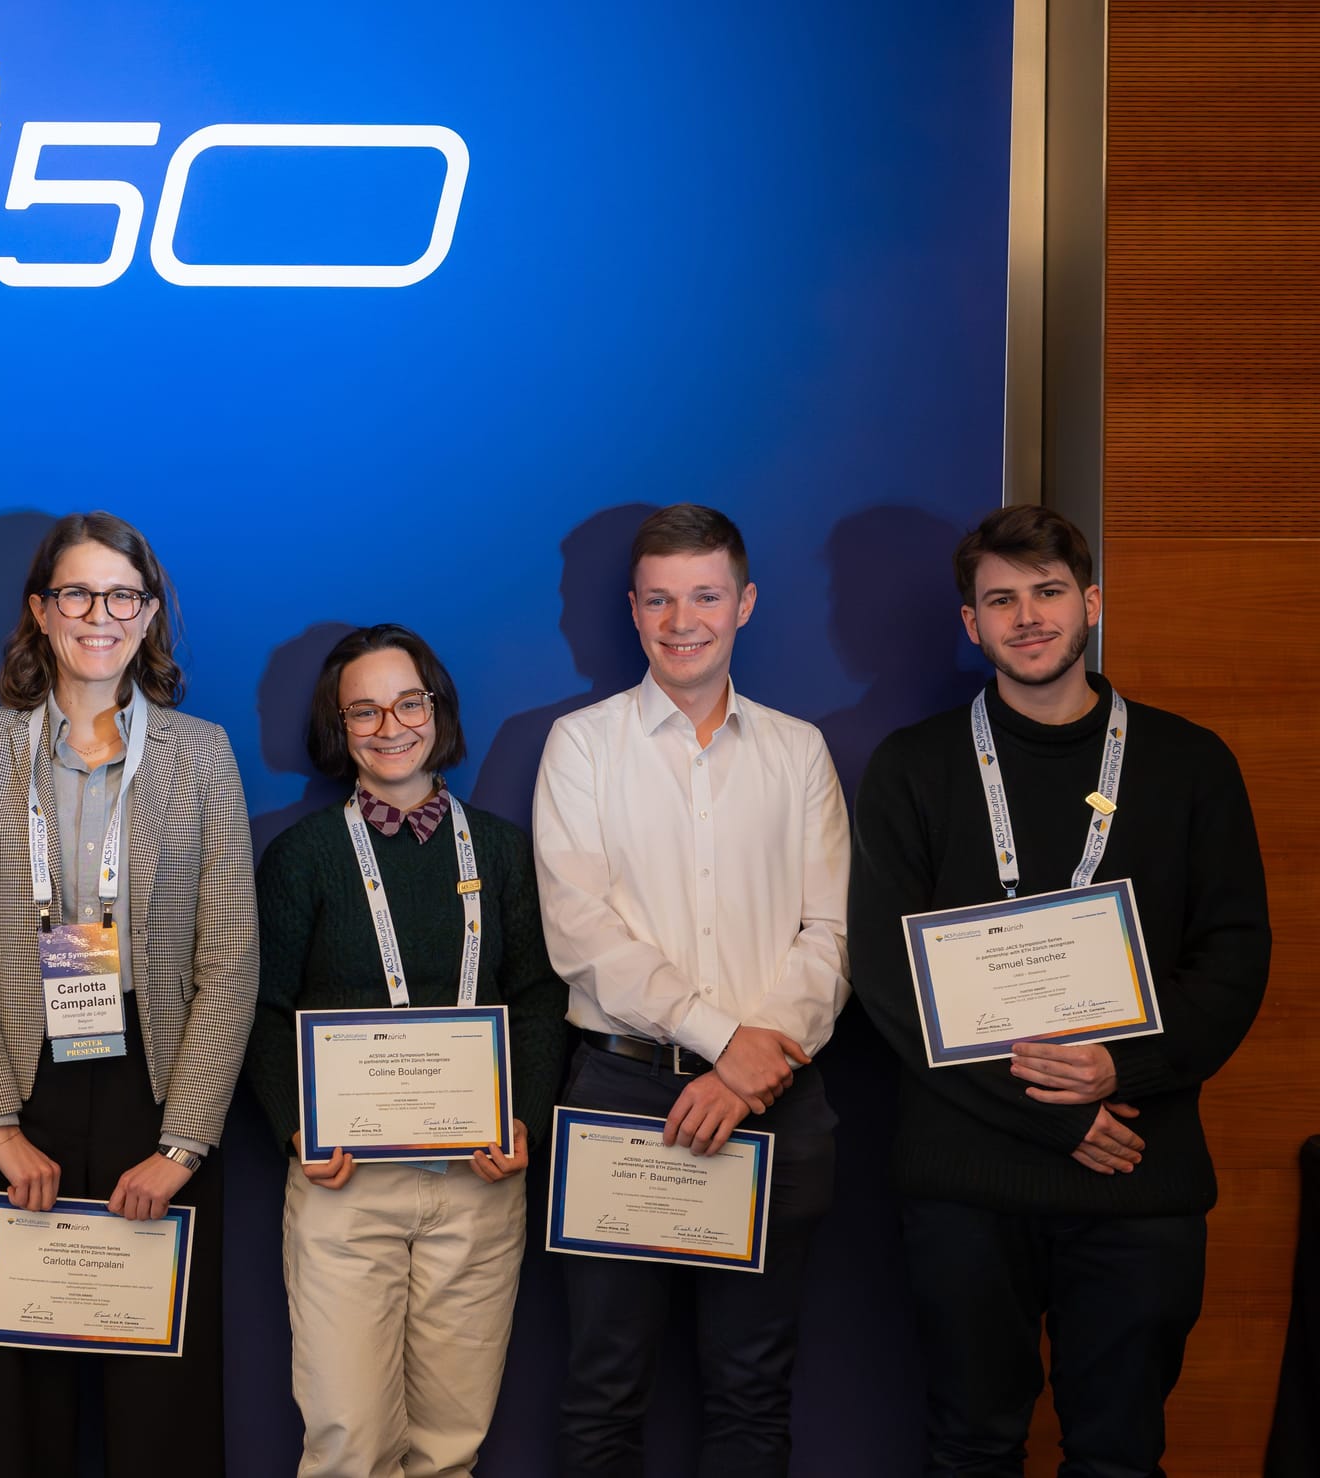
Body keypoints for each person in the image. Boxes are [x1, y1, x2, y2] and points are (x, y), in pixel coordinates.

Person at [848, 505, 1268, 1476]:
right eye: (1000, 599)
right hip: (966, 1177)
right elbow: (886, 979)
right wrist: (1050, 1117)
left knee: (1120, 1453)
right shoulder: (913, 767)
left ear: (1089, 603)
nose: (1025, 616)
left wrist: (1120, 1066)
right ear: (970, 624)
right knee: (970, 1445)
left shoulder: (1188, 762)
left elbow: (1234, 954)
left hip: (1136, 1160)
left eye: (1045, 592)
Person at [0, 511, 258, 1478]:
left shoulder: (200, 753)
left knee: (166, 1410)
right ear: (41, 609)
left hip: (161, 1097)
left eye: (122, 595)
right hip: (20, 1098)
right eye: (76, 592)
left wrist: (182, 1146)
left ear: (149, 614)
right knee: (24, 1407)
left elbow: (231, 957)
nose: (98, 614)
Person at [531, 502, 849, 1478]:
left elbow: (828, 936)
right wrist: (724, 1038)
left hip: (774, 1098)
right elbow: (581, 937)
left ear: (744, 602)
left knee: (751, 1384)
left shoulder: (798, 751)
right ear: (632, 610)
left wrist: (749, 1069)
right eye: (660, 599)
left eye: (705, 595)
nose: (683, 620)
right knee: (603, 1383)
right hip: (625, 1094)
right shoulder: (579, 745)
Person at [247, 623, 567, 1477]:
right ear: (338, 727)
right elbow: (264, 1010)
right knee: (349, 1441)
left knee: (450, 1447)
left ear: (437, 708)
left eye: (408, 702)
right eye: (364, 710)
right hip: (344, 1186)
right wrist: (296, 1131)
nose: (390, 726)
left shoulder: (500, 851)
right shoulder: (303, 857)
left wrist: (525, 1119)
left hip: (479, 1184)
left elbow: (538, 995)